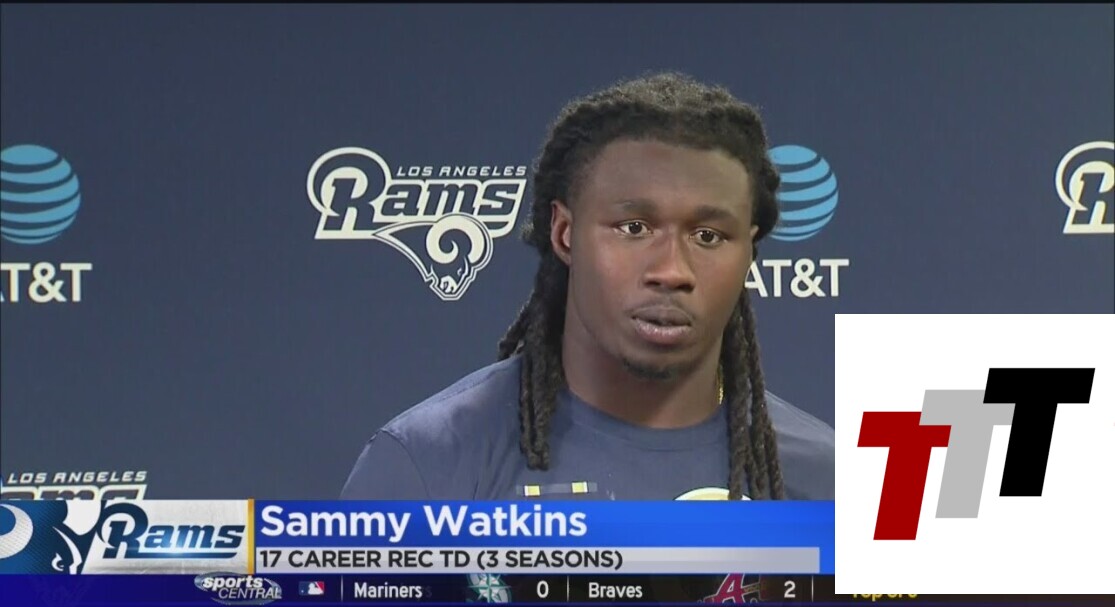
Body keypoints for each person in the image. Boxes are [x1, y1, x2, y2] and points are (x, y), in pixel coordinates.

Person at [341, 72, 834, 501]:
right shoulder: (428, 465)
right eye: (634, 228)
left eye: (708, 236)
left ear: (749, 250)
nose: (671, 270)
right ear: (564, 234)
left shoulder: (836, 481)